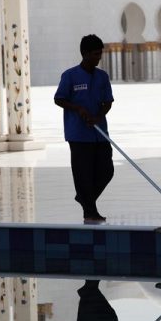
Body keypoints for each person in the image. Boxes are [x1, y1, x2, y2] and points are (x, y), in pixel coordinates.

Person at [55, 35, 114, 224]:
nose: (99, 58)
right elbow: (59, 99)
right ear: (85, 53)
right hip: (79, 135)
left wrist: (98, 116)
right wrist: (78, 108)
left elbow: (108, 101)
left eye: (100, 53)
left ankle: (85, 199)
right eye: (95, 54)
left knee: (106, 170)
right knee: (84, 174)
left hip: (100, 133)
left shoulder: (102, 76)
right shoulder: (70, 76)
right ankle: (90, 210)